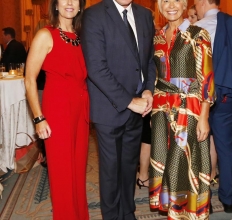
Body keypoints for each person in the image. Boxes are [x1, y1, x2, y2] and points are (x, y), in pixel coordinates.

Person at [81, 0, 156, 219]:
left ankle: (128, 212)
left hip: (138, 109)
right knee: (111, 172)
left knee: (128, 167)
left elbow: (149, 61)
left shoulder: (143, 14)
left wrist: (148, 91)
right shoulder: (94, 15)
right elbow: (96, 67)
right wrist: (129, 101)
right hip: (109, 108)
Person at [149, 0, 215, 218]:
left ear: (185, 4)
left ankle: (184, 213)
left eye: (176, 0)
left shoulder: (198, 34)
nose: (171, 5)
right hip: (160, 110)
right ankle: (173, 211)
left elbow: (206, 79)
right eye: (165, 1)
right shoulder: (157, 37)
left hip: (188, 108)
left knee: (182, 161)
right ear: (159, 6)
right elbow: (156, 76)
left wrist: (204, 116)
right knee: (165, 162)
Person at [24, 0, 89, 219]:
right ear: (56, 5)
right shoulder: (46, 34)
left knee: (78, 172)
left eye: (75, 0)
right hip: (58, 109)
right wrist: (38, 118)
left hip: (81, 110)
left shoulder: (82, 37)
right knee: (62, 174)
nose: (69, 3)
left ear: (80, 6)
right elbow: (29, 80)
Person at [194, 0, 232, 213]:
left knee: (200, 147)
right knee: (225, 147)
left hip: (200, 96)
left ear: (203, 2)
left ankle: (205, 200)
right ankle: (228, 200)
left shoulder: (197, 27)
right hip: (227, 95)